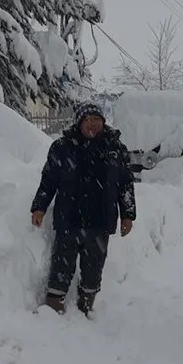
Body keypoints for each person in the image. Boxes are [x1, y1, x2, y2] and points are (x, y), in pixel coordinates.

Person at [30, 102, 136, 317]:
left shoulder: (115, 148)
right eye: (88, 120)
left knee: (93, 270)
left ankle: (86, 307)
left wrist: (128, 215)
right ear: (79, 123)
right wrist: (39, 207)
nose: (93, 125)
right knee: (61, 268)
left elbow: (126, 184)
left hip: (100, 221)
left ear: (103, 122)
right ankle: (53, 309)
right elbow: (48, 180)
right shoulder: (62, 147)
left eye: (97, 120)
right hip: (68, 218)